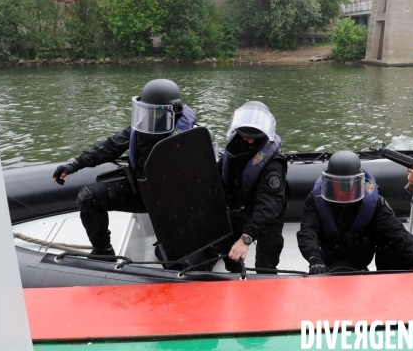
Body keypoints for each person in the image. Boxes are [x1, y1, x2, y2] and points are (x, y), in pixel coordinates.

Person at [52, 79, 196, 259]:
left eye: (156, 113)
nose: (149, 118)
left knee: (169, 257)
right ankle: (103, 252)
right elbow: (110, 146)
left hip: (173, 200)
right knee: (89, 198)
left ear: (173, 111)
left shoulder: (190, 137)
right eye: (146, 111)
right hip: (143, 189)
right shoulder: (143, 127)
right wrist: (75, 165)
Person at [297, 150, 413, 275]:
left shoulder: (373, 200)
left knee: (395, 248)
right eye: (338, 184)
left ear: (359, 181)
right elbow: (308, 231)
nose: (343, 190)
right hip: (328, 257)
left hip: (360, 255)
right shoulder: (315, 199)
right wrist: (314, 258)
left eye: (348, 184)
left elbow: (397, 232)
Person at [215, 101, 288, 273]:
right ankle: (235, 275)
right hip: (241, 206)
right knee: (228, 250)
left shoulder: (272, 164)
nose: (248, 140)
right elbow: (219, 174)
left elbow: (269, 205)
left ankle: (265, 275)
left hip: (268, 213)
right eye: (245, 136)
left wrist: (246, 239)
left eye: (253, 138)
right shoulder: (234, 149)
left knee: (266, 262)